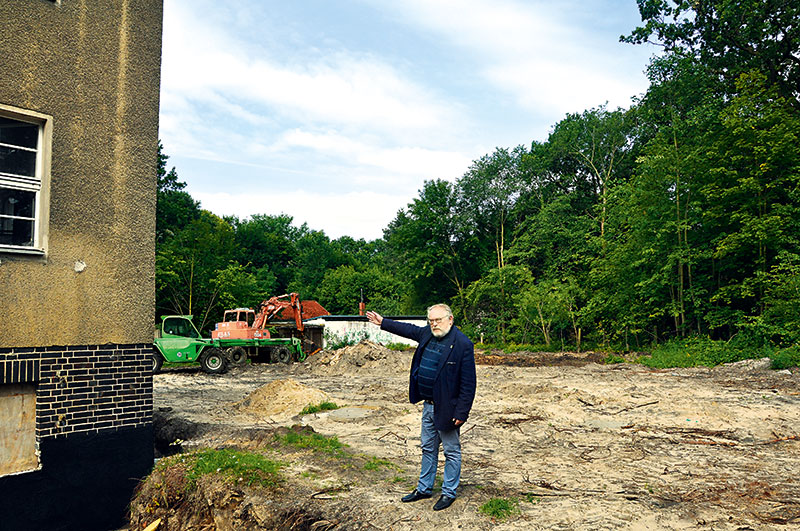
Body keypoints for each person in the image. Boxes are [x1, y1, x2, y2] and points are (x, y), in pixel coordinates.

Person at [366, 304, 476, 511]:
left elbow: (469, 384)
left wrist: (462, 412)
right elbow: (408, 329)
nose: (434, 324)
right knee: (427, 448)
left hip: (448, 409)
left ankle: (448, 492)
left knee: (451, 451)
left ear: (450, 320)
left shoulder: (462, 344)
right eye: (431, 320)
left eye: (438, 320)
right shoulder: (427, 334)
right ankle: (424, 489)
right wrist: (383, 322)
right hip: (428, 406)